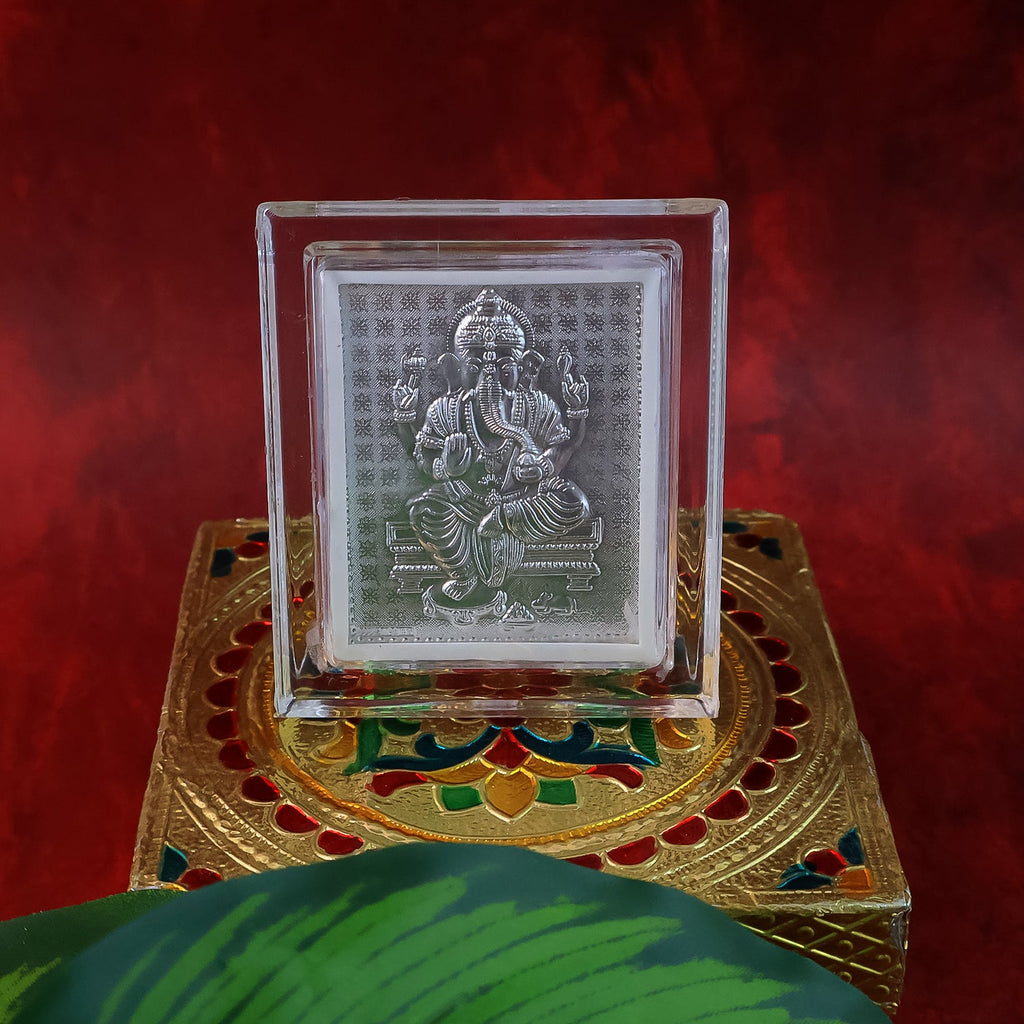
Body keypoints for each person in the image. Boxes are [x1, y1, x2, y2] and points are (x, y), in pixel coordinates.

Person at [392, 288, 590, 622]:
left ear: (525, 365)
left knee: (574, 502)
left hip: (521, 504)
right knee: (423, 509)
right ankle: (464, 575)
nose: (490, 376)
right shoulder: (445, 409)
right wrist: (443, 468)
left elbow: (563, 447)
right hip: (464, 504)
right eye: (475, 365)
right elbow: (421, 457)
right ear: (454, 369)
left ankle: (503, 518)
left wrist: (543, 466)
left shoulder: (537, 405)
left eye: (504, 365)